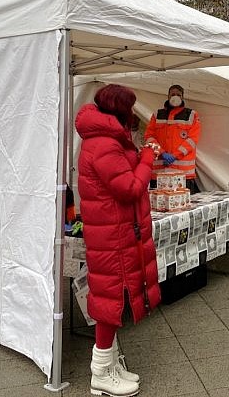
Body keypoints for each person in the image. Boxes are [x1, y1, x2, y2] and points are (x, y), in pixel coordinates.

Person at [75, 84, 161, 397]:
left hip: (115, 231)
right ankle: (100, 373)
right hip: (111, 235)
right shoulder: (104, 144)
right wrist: (147, 158)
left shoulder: (107, 139)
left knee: (113, 300)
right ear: (121, 110)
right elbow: (129, 188)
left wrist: (139, 155)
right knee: (109, 303)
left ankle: (110, 365)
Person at [144, 84, 201, 193]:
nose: (175, 97)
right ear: (168, 96)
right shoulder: (157, 115)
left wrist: (175, 155)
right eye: (173, 94)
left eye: (178, 95)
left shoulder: (192, 115)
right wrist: (161, 152)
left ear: (182, 97)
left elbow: (192, 140)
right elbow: (149, 137)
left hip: (183, 174)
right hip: (160, 173)